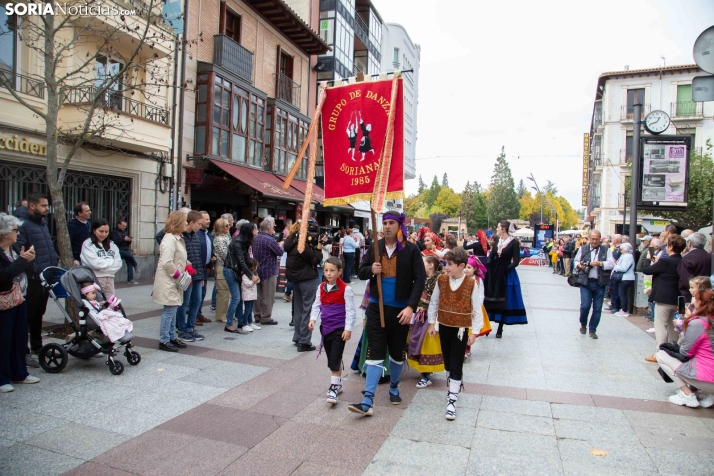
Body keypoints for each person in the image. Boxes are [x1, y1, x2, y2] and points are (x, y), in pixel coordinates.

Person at [347, 211, 425, 417]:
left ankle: (393, 387)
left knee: (397, 353)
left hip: (401, 311)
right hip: (376, 307)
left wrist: (410, 307)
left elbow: (420, 279)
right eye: (385, 223)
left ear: (399, 225)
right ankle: (368, 399)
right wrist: (371, 269)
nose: (387, 226)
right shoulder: (375, 247)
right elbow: (361, 270)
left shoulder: (411, 249)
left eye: (391, 222)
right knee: (375, 350)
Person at [427, 247, 485, 420]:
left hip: (461, 330)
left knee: (456, 362)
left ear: (461, 266)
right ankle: (451, 385)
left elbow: (477, 308)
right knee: (447, 362)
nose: (446, 267)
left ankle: (452, 398)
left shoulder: (470, 283)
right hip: (444, 325)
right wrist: (432, 323)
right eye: (445, 263)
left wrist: (474, 332)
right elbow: (434, 302)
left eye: (450, 264)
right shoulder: (441, 280)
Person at [16, 193, 58, 365]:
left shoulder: (42, 223)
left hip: (45, 278)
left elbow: (47, 246)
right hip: (33, 278)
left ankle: (37, 346)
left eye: (47, 206)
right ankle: (23, 352)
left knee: (39, 313)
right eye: (43, 206)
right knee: (27, 316)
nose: (47, 209)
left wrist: (53, 263)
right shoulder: (22, 225)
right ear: (32, 206)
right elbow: (22, 251)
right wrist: (34, 272)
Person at [0, 212, 39, 393]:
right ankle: (3, 378)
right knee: (4, 339)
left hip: (19, 298)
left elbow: (21, 268)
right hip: (4, 301)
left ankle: (20, 373)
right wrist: (23, 261)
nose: (18, 233)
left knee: (20, 337)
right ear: (4, 233)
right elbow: (4, 276)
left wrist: (27, 260)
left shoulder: (14, 248)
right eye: (15, 230)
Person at [656, 287, 714, 408]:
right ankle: (708, 395)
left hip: (707, 378)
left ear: (700, 303)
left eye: (695, 299)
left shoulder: (698, 323)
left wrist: (687, 322)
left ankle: (687, 395)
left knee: (661, 355)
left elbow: (685, 352)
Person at [309, 257, 356, 404]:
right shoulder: (321, 287)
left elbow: (351, 311)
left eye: (332, 270)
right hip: (326, 328)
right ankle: (339, 382)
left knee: (335, 358)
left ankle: (333, 388)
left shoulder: (346, 289)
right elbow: (317, 304)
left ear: (340, 272)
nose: (328, 273)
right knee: (331, 358)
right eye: (326, 270)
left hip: (339, 329)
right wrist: (313, 319)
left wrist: (348, 329)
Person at [642, 234, 686, 363]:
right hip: (677, 298)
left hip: (663, 298)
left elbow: (646, 270)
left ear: (671, 247)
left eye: (667, 245)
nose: (666, 248)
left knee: (661, 326)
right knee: (674, 327)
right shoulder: (682, 261)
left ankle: (659, 353)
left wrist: (648, 259)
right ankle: (673, 350)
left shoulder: (666, 261)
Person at [152, 211, 189, 352]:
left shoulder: (177, 237)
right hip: (170, 280)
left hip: (174, 280)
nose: (186, 223)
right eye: (185, 221)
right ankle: (164, 340)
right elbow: (167, 262)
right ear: (178, 222)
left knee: (173, 309)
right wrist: (179, 276)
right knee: (169, 310)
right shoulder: (169, 238)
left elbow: (177, 258)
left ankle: (172, 336)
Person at [484, 220, 528, 338]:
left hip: (506, 272)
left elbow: (516, 261)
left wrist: (505, 269)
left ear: (504, 229)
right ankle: (487, 325)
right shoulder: (497, 240)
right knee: (490, 297)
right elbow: (492, 255)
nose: (496, 229)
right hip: (494, 272)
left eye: (498, 227)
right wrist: (489, 265)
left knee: (505, 298)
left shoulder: (513, 242)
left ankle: (500, 328)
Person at [285, 220, 324, 351]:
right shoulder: (302, 243)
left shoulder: (290, 241)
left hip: (296, 278)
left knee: (299, 308)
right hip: (306, 277)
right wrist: (319, 248)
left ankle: (297, 337)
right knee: (308, 309)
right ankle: (305, 341)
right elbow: (314, 259)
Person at [407, 255, 444, 389]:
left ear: (431, 265)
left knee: (426, 344)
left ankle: (426, 376)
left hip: (431, 316)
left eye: (422, 262)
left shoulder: (440, 280)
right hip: (419, 314)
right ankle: (425, 372)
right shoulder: (420, 279)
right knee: (418, 342)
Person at [572, 230, 615, 339]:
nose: (594, 241)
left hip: (600, 283)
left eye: (596, 239)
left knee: (597, 308)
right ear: (589, 238)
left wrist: (600, 263)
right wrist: (580, 266)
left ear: (600, 239)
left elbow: (611, 264)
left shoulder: (606, 250)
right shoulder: (583, 249)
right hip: (586, 282)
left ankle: (592, 330)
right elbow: (576, 261)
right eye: (592, 239)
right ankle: (583, 323)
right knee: (585, 305)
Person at [175, 211, 206, 342]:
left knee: (197, 301)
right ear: (191, 222)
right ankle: (181, 328)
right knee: (184, 302)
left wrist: (202, 276)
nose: (200, 226)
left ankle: (190, 327)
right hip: (186, 273)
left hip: (197, 274)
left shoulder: (196, 236)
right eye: (199, 224)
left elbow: (198, 256)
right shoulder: (180, 235)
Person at [224, 222, 258, 334]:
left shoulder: (243, 242)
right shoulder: (238, 242)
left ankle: (241, 321)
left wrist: (253, 270)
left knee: (238, 299)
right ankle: (228, 324)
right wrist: (251, 275)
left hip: (236, 271)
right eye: (254, 230)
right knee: (236, 298)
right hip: (231, 270)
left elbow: (246, 259)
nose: (255, 232)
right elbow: (241, 261)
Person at [252, 217, 284, 325]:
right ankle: (266, 317)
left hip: (257, 269)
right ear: (269, 229)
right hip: (269, 270)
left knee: (258, 295)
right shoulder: (270, 240)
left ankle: (257, 315)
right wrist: (281, 245)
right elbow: (280, 252)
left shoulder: (255, 238)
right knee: (268, 295)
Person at [80, 219, 122, 298]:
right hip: (94, 279)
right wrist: (111, 261)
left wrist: (103, 267)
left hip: (110, 279)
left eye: (106, 232)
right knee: (96, 304)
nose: (104, 234)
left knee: (110, 304)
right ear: (94, 230)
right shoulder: (88, 244)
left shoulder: (112, 245)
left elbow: (119, 263)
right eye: (101, 231)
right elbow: (95, 263)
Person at [678, 233, 712, 301]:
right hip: (708, 294)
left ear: (689, 243)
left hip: (690, 297)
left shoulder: (687, 258)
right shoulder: (710, 257)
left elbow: (684, 280)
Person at [211, 218, 231, 324]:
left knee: (225, 292)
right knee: (222, 292)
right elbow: (224, 254)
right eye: (226, 225)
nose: (229, 227)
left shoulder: (225, 237)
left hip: (226, 267)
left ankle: (223, 314)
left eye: (229, 225)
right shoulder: (219, 239)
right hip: (222, 266)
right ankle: (221, 316)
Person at [194, 211, 212, 326]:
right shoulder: (197, 234)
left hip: (205, 267)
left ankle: (198, 313)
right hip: (197, 268)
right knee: (197, 294)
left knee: (203, 292)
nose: (208, 221)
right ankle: (194, 315)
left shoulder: (207, 233)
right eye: (206, 219)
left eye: (208, 218)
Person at [610, 243, 636, 317]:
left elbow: (624, 268)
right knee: (621, 293)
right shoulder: (625, 256)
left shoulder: (628, 257)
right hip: (624, 277)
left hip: (626, 278)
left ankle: (624, 310)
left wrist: (614, 266)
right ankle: (623, 309)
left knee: (622, 294)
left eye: (621, 249)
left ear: (625, 250)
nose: (620, 251)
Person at [110, 220, 139, 285]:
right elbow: (114, 242)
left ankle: (130, 279)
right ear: (119, 225)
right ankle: (135, 264)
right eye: (123, 226)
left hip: (125, 249)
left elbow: (127, 243)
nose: (124, 227)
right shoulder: (114, 233)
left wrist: (129, 240)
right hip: (118, 250)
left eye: (125, 226)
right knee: (130, 256)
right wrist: (123, 239)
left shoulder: (125, 232)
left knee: (129, 262)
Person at [238, 258, 261, 331]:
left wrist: (257, 279)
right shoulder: (245, 276)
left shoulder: (253, 274)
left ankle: (250, 323)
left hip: (252, 295)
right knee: (247, 310)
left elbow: (258, 281)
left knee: (250, 309)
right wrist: (253, 281)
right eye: (255, 267)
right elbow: (248, 284)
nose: (256, 268)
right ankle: (244, 324)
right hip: (247, 295)